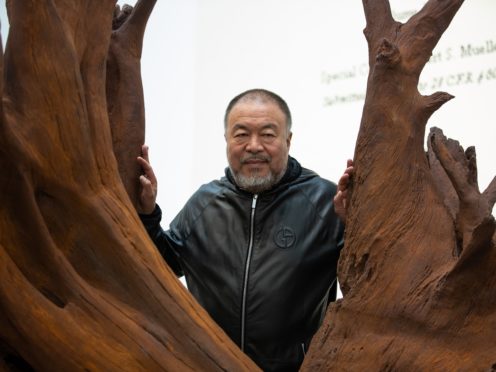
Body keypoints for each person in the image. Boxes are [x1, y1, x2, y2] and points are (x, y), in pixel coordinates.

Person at [137, 88, 353, 372]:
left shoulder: (325, 202)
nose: (253, 146)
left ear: (288, 140)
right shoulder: (205, 203)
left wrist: (354, 227)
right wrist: (148, 212)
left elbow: (364, 283)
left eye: (267, 134)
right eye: (241, 134)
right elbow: (161, 265)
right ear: (226, 140)